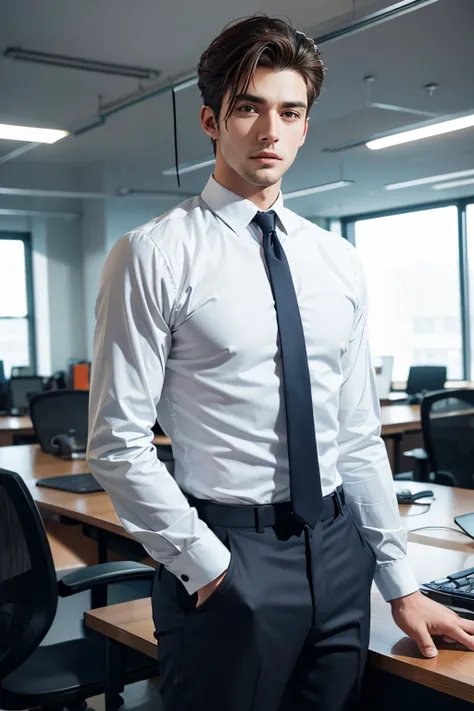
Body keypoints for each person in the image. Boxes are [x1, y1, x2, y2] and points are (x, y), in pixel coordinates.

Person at [87, 14, 474, 711]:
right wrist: (209, 570)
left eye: (289, 111)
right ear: (211, 119)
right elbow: (117, 444)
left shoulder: (338, 261)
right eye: (248, 107)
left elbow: (355, 438)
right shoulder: (153, 254)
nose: (269, 130)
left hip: (338, 550)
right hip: (231, 553)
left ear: (303, 126)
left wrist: (401, 582)